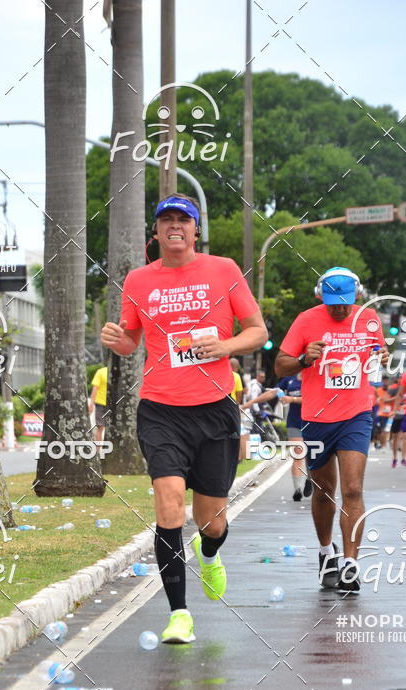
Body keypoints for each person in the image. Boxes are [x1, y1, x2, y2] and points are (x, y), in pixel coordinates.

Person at [101, 193, 267, 644]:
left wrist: (226, 347)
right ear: (155, 232)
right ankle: (179, 615)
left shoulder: (224, 270)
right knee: (168, 500)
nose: (175, 226)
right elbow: (129, 342)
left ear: (196, 230)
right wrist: (115, 338)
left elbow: (258, 331)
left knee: (210, 519)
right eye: (166, 220)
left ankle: (209, 553)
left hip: (215, 408)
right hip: (160, 409)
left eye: (183, 220)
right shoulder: (137, 280)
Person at [275, 266, 388, 593]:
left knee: (352, 489)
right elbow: (280, 365)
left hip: (356, 414)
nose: (339, 308)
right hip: (316, 417)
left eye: (345, 302)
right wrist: (302, 359)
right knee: (324, 492)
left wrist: (381, 356)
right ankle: (327, 554)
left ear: (358, 296)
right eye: (332, 302)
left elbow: (376, 362)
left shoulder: (369, 320)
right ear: (319, 297)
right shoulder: (306, 320)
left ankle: (351, 564)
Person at [241, 374, 312, 501]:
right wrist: (250, 403)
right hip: (295, 423)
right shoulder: (289, 379)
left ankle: (309, 479)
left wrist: (292, 399)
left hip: (313, 422)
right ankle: (298, 490)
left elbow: (315, 399)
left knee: (312, 455)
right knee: (298, 454)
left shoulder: (314, 377)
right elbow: (273, 393)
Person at [388, 380, 406, 468]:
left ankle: (403, 458)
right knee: (395, 438)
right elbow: (385, 400)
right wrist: (394, 410)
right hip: (397, 415)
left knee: (405, 437)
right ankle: (395, 458)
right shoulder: (394, 389)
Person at [88, 365, 108, 442]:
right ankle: (98, 451)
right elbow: (95, 389)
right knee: (100, 427)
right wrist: (91, 404)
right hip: (101, 404)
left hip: (113, 404)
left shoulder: (115, 372)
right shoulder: (101, 372)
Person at [374, 375, 395, 450]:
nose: (385, 382)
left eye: (387, 381)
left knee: (387, 430)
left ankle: (385, 445)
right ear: (382, 381)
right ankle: (380, 443)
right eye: (384, 381)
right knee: (380, 430)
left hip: (390, 413)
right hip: (381, 413)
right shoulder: (378, 390)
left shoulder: (391, 390)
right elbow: (376, 400)